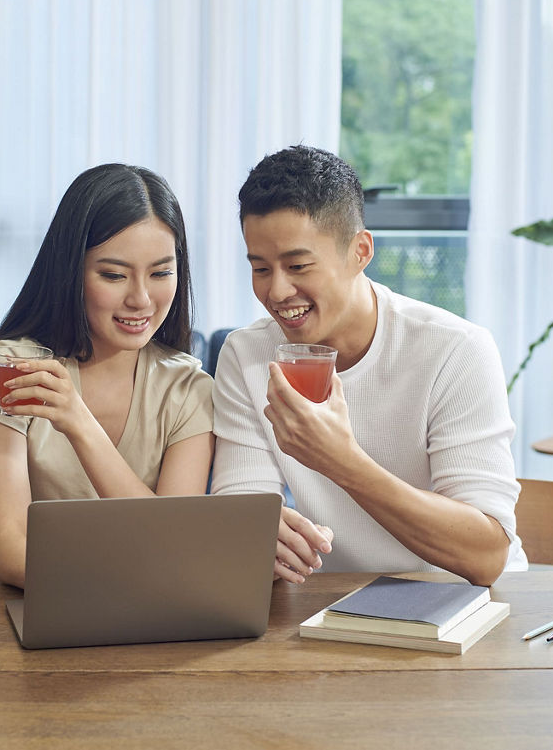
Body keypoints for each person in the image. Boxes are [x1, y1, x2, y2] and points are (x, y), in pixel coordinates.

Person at [210, 145, 526, 587]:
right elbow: (241, 513)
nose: (277, 291)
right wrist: (263, 539)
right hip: (331, 607)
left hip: (460, 604)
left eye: (298, 265)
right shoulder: (247, 355)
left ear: (360, 251)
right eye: (260, 268)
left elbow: (488, 556)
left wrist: (342, 461)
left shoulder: (455, 350)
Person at [0, 164, 214, 587]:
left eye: (161, 273)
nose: (141, 299)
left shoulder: (188, 389)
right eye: (113, 275)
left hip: (121, 606)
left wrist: (79, 423)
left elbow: (170, 541)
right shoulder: (15, 367)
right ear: (72, 273)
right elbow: (13, 553)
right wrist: (136, 579)